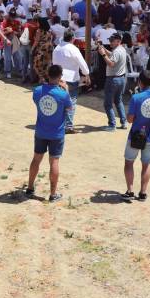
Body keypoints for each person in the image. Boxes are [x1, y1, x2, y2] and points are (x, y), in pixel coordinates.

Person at [26, 64, 72, 202]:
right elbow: (69, 109)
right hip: (56, 133)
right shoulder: (62, 94)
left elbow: (37, 101)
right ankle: (53, 194)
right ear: (60, 77)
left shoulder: (38, 91)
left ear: (48, 74)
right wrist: (66, 89)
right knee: (54, 161)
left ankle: (29, 187)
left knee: (36, 159)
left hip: (40, 130)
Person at [120, 70, 150, 202]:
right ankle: (143, 193)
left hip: (136, 136)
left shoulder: (136, 98)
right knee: (146, 164)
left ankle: (130, 191)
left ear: (139, 82)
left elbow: (130, 119)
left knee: (129, 163)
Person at [52, 30, 90, 134]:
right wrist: (86, 75)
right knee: (71, 101)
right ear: (72, 38)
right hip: (71, 79)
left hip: (59, 78)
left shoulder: (57, 48)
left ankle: (60, 123)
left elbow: (54, 63)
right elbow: (82, 63)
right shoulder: (73, 49)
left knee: (59, 101)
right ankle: (68, 125)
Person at [98, 33, 128, 131]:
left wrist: (103, 54)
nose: (110, 42)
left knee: (108, 104)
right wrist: (105, 50)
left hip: (113, 80)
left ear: (118, 41)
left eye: (112, 40)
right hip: (121, 79)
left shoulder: (117, 51)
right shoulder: (121, 49)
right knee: (118, 101)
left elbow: (111, 63)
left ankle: (112, 125)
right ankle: (123, 122)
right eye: (110, 40)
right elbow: (112, 55)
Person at [33, 18, 54, 83]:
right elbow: (54, 36)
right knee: (47, 63)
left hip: (42, 48)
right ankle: (47, 78)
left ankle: (42, 78)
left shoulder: (39, 31)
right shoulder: (50, 31)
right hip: (49, 48)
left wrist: (32, 49)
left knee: (37, 64)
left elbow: (36, 41)